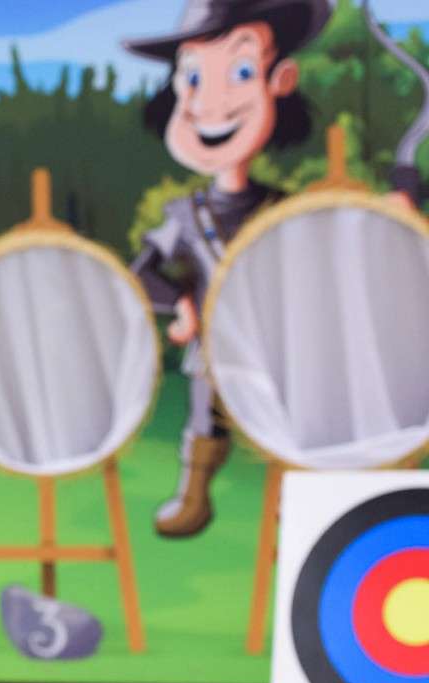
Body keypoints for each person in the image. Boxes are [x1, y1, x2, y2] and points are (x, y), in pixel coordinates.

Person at [122, 0, 330, 537]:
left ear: (279, 80)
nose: (210, 103)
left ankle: (296, 492)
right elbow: (142, 272)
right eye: (194, 78)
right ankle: (194, 492)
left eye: (239, 72)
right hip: (213, 348)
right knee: (204, 414)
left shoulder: (282, 212)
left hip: (274, 347)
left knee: (291, 414)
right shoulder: (185, 216)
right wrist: (181, 305)